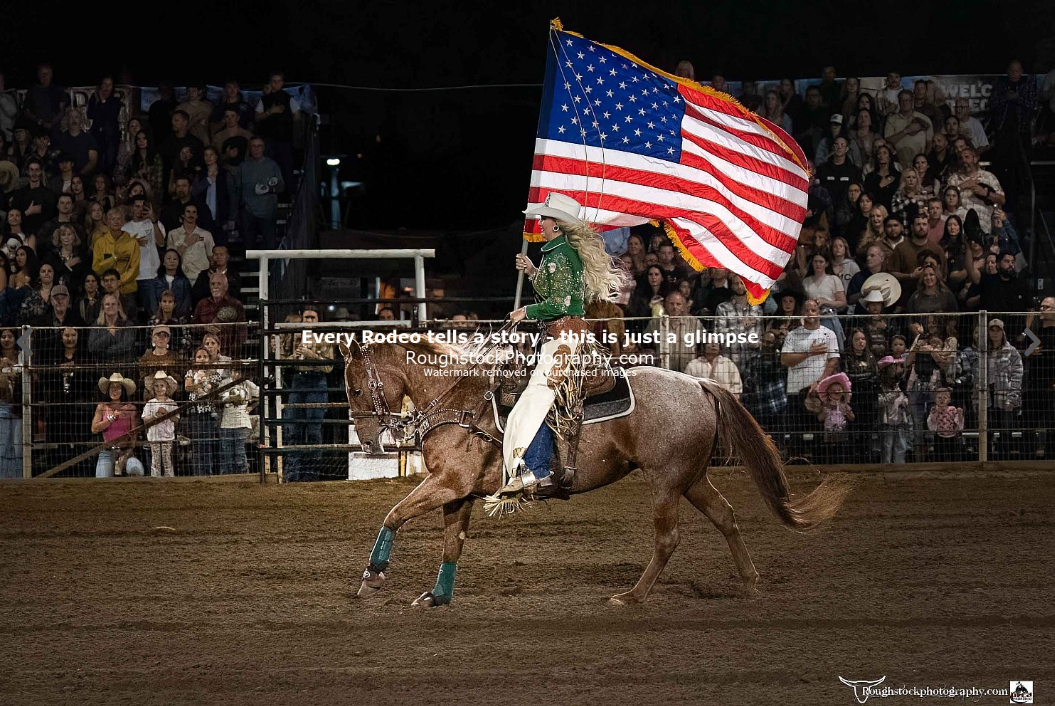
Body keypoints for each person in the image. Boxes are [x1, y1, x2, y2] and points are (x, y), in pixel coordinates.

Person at [500, 193, 626, 495]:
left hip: (564, 338)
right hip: (562, 337)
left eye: (544, 218)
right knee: (533, 397)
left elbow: (560, 303)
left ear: (556, 224)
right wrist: (532, 271)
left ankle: (539, 470)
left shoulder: (560, 257)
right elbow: (556, 293)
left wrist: (525, 311)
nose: (540, 223)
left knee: (536, 399)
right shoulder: (557, 254)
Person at [780, 299, 840, 460]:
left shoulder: (829, 334)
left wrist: (820, 382)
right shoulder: (793, 335)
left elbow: (833, 361)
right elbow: (785, 359)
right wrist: (809, 353)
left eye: (813, 309)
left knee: (818, 433)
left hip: (818, 391)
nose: (810, 313)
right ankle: (795, 469)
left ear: (818, 313)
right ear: (801, 313)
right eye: (806, 309)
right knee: (796, 433)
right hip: (795, 389)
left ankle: (821, 467)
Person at [281, 308, 333, 483]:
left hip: (316, 381)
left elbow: (329, 367)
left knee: (313, 430)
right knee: (292, 429)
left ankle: (310, 475)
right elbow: (280, 361)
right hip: (298, 380)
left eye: (312, 317)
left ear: (318, 319)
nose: (309, 321)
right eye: (306, 317)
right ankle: (292, 474)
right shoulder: (294, 335)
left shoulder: (325, 337)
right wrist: (294, 358)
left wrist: (312, 356)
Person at [229, 136, 283, 250]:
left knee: (270, 245)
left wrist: (269, 189)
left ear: (263, 148)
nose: (256, 149)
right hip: (248, 212)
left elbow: (281, 187)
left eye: (259, 146)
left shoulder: (272, 165)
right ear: (249, 148)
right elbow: (237, 191)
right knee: (248, 246)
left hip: (268, 211)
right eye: (253, 146)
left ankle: (269, 268)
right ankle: (251, 268)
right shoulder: (243, 167)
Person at [91, 372, 144, 477]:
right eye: (112, 387)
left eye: (118, 387)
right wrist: (111, 418)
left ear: (122, 390)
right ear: (108, 390)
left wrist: (126, 454)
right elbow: (94, 428)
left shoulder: (130, 408)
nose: (114, 390)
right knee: (101, 479)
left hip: (126, 450)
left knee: (135, 469)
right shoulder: (102, 407)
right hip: (107, 451)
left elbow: (134, 435)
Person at [946, 146, 1005, 235]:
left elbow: (1002, 199)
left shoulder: (988, 176)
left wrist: (986, 193)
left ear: (975, 159)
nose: (964, 161)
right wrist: (962, 186)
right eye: (961, 158)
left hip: (982, 220)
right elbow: (945, 199)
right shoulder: (954, 179)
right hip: (959, 222)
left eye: (967, 157)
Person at [184, 347, 222, 477]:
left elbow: (213, 389)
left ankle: (208, 474)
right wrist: (201, 384)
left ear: (209, 359)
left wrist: (202, 384)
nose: (202, 359)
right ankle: (197, 474)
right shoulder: (190, 372)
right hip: (195, 412)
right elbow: (188, 387)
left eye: (204, 356)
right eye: (199, 356)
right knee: (196, 445)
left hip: (208, 413)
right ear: (194, 359)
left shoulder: (215, 374)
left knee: (207, 444)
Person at [192, 272, 246, 359]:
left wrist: (234, 354)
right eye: (212, 284)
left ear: (226, 287)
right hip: (205, 357)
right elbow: (193, 327)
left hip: (228, 354)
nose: (215, 286)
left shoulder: (236, 305)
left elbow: (241, 332)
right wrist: (205, 328)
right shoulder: (202, 304)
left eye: (219, 284)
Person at [219, 365, 259, 475]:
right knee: (228, 455)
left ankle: (244, 477)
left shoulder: (247, 383)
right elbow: (217, 399)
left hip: (242, 422)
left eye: (239, 371)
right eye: (234, 371)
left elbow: (262, 395)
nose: (236, 374)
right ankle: (230, 479)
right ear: (231, 371)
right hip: (226, 422)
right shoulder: (225, 383)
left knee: (240, 453)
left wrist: (251, 407)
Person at [142, 371, 179, 478]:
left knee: (167, 458)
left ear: (167, 388)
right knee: (156, 459)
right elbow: (145, 419)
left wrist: (167, 414)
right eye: (156, 386)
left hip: (167, 436)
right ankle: (155, 479)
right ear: (153, 388)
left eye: (162, 386)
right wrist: (155, 416)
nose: (159, 388)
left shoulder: (172, 403)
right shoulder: (150, 403)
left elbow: (176, 419)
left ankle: (169, 479)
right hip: (154, 436)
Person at [166, 203, 214, 285]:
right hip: (180, 278)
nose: (191, 215)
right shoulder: (173, 234)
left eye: (194, 212)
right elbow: (171, 259)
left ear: (197, 216)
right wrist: (186, 243)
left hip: (201, 279)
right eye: (188, 212)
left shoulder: (206, 234)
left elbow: (211, 257)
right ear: (183, 215)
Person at [884, 90, 933, 170]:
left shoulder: (924, 119)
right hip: (898, 164)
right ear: (899, 102)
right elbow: (888, 140)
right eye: (902, 100)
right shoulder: (892, 119)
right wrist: (906, 131)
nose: (905, 103)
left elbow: (929, 144)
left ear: (912, 101)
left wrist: (923, 161)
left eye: (907, 100)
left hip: (919, 164)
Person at [877, 356, 912, 464]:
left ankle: (900, 468)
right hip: (887, 422)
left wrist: (905, 401)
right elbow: (880, 402)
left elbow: (903, 397)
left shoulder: (898, 384)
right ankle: (886, 469)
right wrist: (893, 395)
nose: (895, 370)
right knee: (887, 446)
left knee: (901, 445)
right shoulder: (880, 387)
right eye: (892, 368)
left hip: (900, 420)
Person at [0, 329, 22, 478]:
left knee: (17, 446)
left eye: (10, 336)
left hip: (19, 405)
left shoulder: (22, 356)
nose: (6, 339)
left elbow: (30, 375)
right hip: (1, 404)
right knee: (2, 445)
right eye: (3, 337)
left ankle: (18, 478)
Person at [927, 387, 964, 461]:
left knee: (954, 456)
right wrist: (936, 412)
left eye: (945, 398)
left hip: (952, 437)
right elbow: (932, 422)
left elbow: (958, 422)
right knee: (940, 457)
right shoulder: (933, 409)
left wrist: (960, 414)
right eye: (939, 398)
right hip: (940, 437)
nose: (942, 400)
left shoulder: (953, 409)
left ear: (949, 400)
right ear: (935, 399)